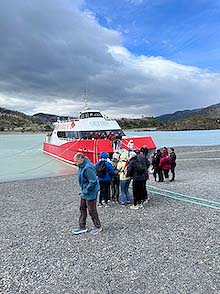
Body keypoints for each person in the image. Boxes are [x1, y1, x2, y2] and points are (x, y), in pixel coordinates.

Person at [71, 152, 102, 235]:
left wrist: (86, 190)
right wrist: (83, 191)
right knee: (82, 208)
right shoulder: (81, 166)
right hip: (84, 192)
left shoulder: (88, 168)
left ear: (82, 159)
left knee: (92, 210)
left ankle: (98, 226)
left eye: (76, 161)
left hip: (90, 192)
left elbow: (93, 181)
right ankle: (82, 227)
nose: (75, 163)